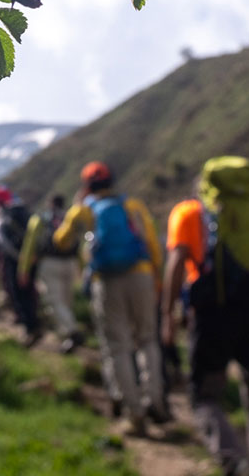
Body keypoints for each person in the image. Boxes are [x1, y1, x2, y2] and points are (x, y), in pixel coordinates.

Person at [161, 156, 249, 476]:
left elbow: (176, 265)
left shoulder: (190, 213)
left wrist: (167, 315)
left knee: (204, 398)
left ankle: (236, 462)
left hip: (212, 316)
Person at [54, 161, 168, 435]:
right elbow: (152, 243)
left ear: (87, 186)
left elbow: (61, 241)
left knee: (117, 345)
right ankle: (155, 399)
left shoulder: (84, 210)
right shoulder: (132, 206)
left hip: (105, 280)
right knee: (147, 339)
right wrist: (157, 278)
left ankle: (134, 413)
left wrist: (76, 207)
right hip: (140, 274)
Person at [19, 194, 84, 354]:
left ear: (50, 204)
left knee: (55, 301)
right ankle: (68, 335)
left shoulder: (40, 219)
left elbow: (29, 245)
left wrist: (24, 269)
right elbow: (79, 245)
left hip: (49, 264)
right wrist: (82, 268)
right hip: (71, 263)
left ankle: (72, 332)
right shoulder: (70, 218)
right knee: (66, 301)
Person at [0, 185, 42, 346]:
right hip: (33, 259)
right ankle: (36, 322)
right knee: (30, 290)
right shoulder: (24, 211)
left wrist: (20, 260)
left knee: (19, 293)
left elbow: (4, 244)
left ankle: (30, 328)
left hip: (16, 262)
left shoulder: (3, 218)